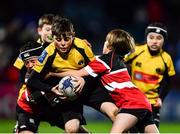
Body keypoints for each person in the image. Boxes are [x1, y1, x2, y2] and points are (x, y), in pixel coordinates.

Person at [51, 29, 159, 133]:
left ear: (109, 45)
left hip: (132, 103)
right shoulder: (119, 61)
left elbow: (77, 73)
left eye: (106, 40)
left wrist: (52, 73)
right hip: (144, 102)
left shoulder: (105, 60)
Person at [27, 16, 118, 131]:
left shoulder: (82, 46)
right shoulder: (48, 52)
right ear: (53, 37)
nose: (63, 43)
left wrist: (84, 79)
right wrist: (51, 89)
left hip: (89, 88)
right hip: (68, 95)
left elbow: (97, 69)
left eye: (66, 39)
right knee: (71, 129)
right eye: (58, 39)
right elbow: (32, 80)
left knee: (115, 114)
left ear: (73, 35)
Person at [124, 22, 176, 129]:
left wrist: (161, 98)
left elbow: (168, 81)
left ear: (164, 40)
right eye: (151, 37)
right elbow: (120, 63)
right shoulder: (136, 50)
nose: (155, 41)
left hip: (152, 103)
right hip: (133, 101)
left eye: (159, 38)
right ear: (146, 38)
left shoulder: (166, 58)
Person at [13, 13, 55, 83]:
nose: (51, 33)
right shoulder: (30, 48)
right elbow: (21, 75)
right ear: (39, 31)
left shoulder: (61, 47)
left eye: (53, 30)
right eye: (48, 30)